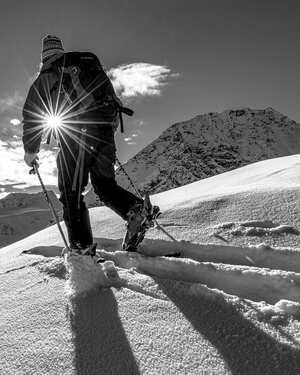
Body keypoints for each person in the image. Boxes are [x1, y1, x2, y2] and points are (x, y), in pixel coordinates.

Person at [22, 35, 158, 255]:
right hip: (104, 132)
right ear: (61, 50)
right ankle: (135, 211)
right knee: (104, 186)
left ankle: (81, 249)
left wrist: (30, 151)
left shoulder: (48, 74)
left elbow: (32, 115)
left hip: (76, 136)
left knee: (71, 193)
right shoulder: (86, 65)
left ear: (44, 56)